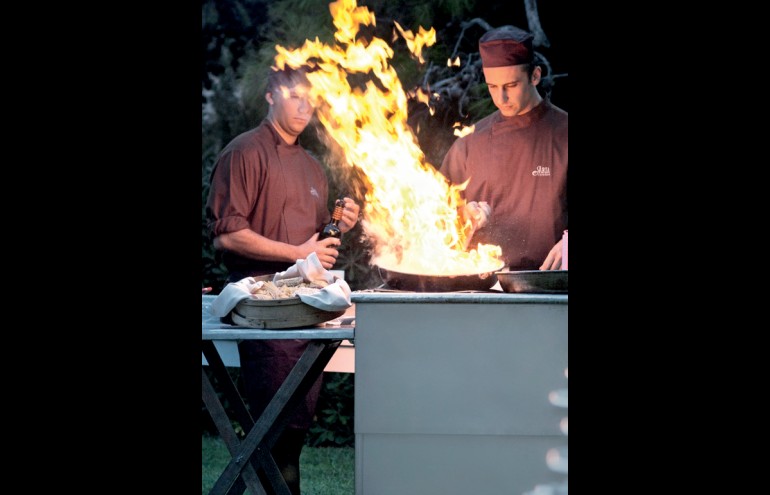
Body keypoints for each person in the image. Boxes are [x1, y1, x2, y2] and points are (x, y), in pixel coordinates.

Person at [205, 64, 360, 494]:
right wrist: (297, 253)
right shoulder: (245, 152)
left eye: (311, 96)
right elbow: (228, 236)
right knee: (275, 436)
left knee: (292, 436)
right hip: (265, 315)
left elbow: (314, 246)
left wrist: (338, 226)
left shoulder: (312, 167)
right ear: (270, 95)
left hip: (307, 314)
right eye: (293, 94)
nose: (304, 105)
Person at [439, 24, 568, 271]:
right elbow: (431, 222)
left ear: (535, 76)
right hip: (482, 289)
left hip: (553, 289)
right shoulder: (469, 143)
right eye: (492, 87)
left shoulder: (564, 134)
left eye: (511, 86)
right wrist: (462, 218)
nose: (501, 99)